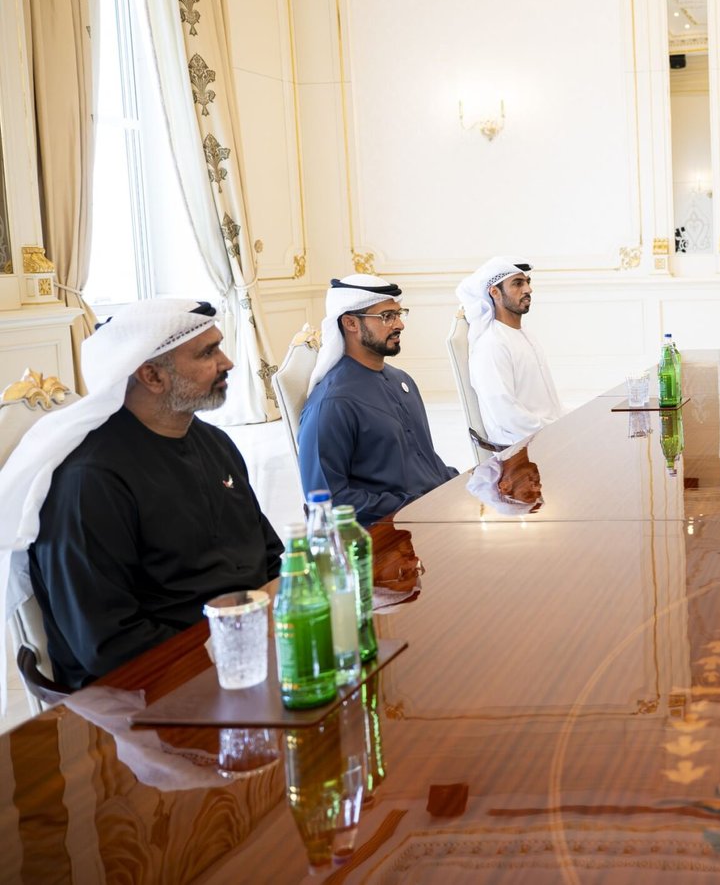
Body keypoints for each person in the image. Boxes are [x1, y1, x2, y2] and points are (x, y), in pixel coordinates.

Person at [0, 299, 283, 690]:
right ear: (152, 375)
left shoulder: (215, 443)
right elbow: (108, 644)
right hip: (150, 689)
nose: (227, 362)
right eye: (208, 353)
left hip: (244, 652)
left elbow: (269, 557)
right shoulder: (91, 481)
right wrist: (228, 644)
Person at [297, 275, 457, 524]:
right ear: (350, 323)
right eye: (387, 316)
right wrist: (413, 506)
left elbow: (424, 461)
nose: (399, 324)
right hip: (386, 533)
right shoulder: (332, 403)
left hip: (429, 516)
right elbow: (328, 499)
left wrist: (457, 485)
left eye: (399, 314)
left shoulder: (402, 380)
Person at [454, 256, 563, 447]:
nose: (528, 289)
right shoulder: (491, 344)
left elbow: (548, 408)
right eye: (518, 283)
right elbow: (507, 415)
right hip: (519, 450)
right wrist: (558, 431)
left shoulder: (525, 335)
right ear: (495, 292)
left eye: (527, 282)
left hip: (544, 440)